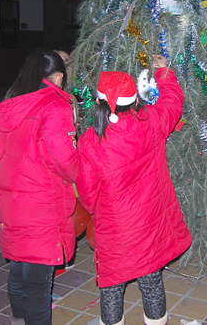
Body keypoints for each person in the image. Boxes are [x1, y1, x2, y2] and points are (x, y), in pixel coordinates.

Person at [76, 55, 192, 325]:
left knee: (112, 287)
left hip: (114, 228)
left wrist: (98, 209)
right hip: (150, 223)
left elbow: (88, 194)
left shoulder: (90, 141)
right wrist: (164, 73)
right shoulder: (150, 122)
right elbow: (172, 103)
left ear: (98, 102)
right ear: (137, 100)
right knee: (151, 279)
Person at [0, 49, 80, 325]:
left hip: (10, 197)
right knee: (39, 285)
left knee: (19, 268)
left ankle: (18, 319)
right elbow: (64, 160)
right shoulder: (54, 106)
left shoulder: (11, 103)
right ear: (58, 76)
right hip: (42, 201)